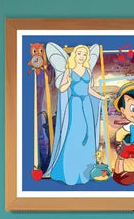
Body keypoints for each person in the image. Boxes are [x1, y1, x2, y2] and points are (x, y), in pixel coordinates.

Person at [45, 44, 109, 185]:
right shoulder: (68, 70)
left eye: (85, 54)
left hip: (86, 104)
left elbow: (89, 90)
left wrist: (101, 97)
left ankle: (84, 172)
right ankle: (70, 173)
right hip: (74, 105)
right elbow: (62, 89)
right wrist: (68, 82)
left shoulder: (87, 70)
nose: (82, 57)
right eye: (79, 53)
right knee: (74, 136)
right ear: (74, 55)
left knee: (88, 135)